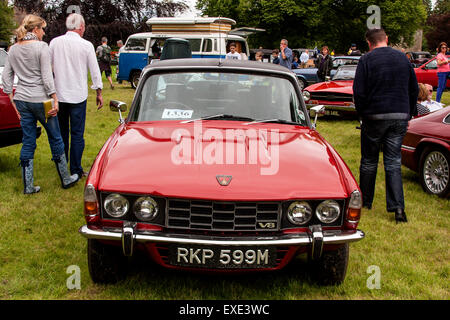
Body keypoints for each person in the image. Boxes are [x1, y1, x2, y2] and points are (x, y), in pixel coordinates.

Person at [1, 14, 79, 194]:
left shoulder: (13, 49)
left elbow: (7, 79)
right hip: (41, 100)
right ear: (35, 30)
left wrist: (13, 102)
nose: (44, 32)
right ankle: (66, 179)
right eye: (42, 28)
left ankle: (28, 186)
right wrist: (55, 98)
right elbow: (46, 77)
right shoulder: (42, 47)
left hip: (21, 99)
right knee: (55, 137)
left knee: (28, 141)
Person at [353, 28, 418, 223]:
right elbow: (413, 88)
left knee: (369, 160)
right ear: (386, 39)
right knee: (393, 162)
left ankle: (365, 202)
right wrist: (409, 111)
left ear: (369, 43)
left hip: (374, 115)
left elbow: (359, 92)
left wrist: (362, 113)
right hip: (399, 114)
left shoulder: (366, 60)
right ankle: (398, 209)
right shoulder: (403, 59)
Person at [49, 13, 104, 179]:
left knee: (62, 132)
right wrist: (98, 91)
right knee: (77, 133)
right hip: (78, 95)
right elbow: (95, 70)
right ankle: (76, 168)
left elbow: (48, 67)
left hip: (59, 94)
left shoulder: (54, 43)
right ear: (80, 27)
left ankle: (62, 166)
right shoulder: (86, 45)